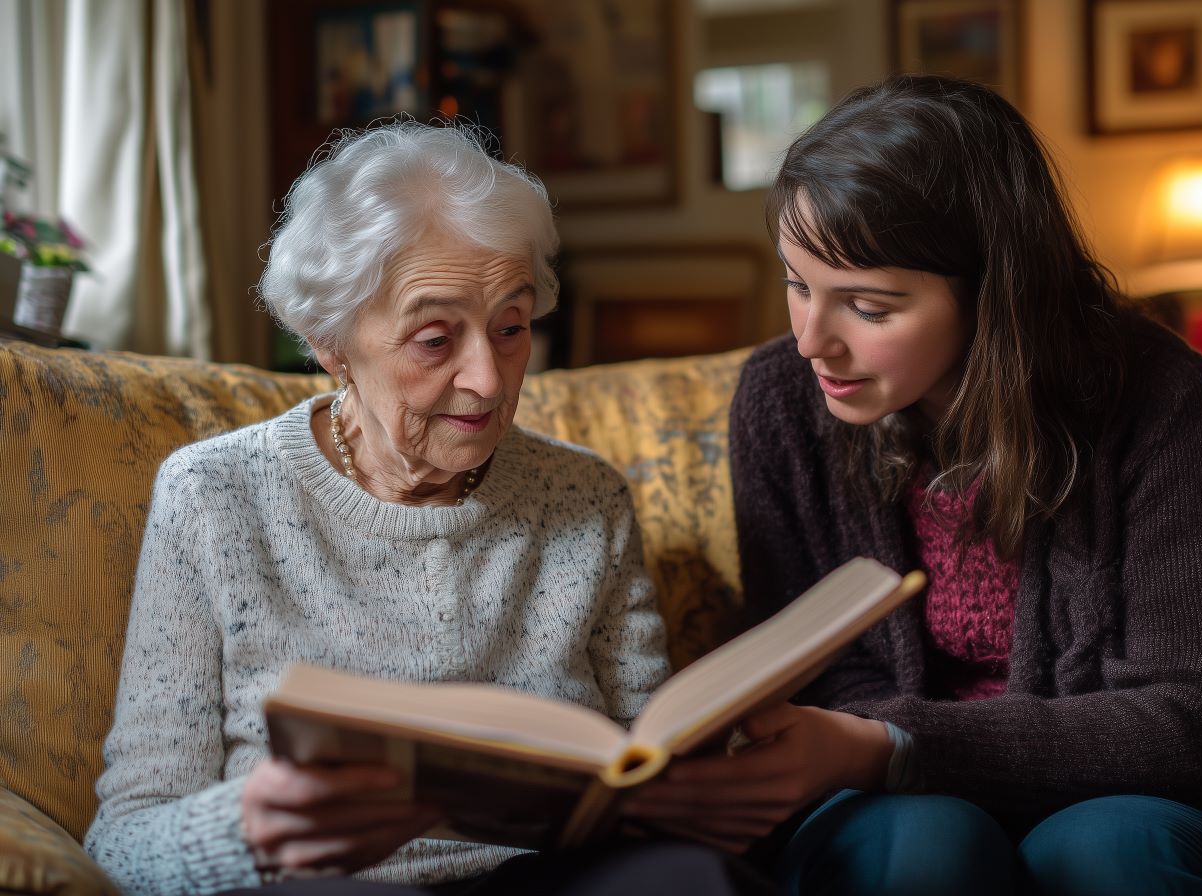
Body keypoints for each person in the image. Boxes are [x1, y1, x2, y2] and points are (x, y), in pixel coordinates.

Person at [623, 74, 1202, 894]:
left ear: (993, 295)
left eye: (867, 306)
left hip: (1115, 792)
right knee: (924, 849)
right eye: (798, 285)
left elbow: (1190, 724)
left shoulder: (1154, 392)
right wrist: (866, 755)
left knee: (1113, 855)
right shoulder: (781, 402)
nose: (811, 343)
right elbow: (808, 679)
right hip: (884, 804)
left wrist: (893, 742)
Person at [83, 120, 772, 896]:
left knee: (696, 879)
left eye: (511, 329)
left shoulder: (587, 498)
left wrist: (701, 786)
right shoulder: (214, 497)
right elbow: (125, 840)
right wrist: (243, 829)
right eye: (436, 339)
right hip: (331, 886)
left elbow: (650, 760)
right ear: (330, 341)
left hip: (549, 879)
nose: (487, 377)